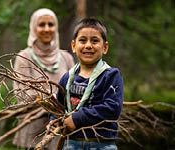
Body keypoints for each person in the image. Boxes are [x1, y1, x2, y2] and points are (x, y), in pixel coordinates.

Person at [55, 18, 124, 150]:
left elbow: (112, 108)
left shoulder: (111, 75)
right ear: (73, 46)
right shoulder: (67, 78)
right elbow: (58, 106)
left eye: (95, 40)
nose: (88, 45)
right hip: (71, 143)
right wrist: (55, 120)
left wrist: (78, 118)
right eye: (82, 40)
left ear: (105, 47)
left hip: (101, 144)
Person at [13, 8, 75, 149]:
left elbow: (75, 90)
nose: (47, 29)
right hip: (32, 131)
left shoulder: (66, 58)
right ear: (33, 27)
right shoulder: (24, 58)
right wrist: (51, 98)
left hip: (61, 131)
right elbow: (20, 95)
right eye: (41, 25)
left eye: (51, 24)